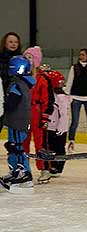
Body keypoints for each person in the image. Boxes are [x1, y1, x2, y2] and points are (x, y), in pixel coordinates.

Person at [0, 56, 35, 194]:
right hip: (18, 120)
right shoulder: (24, 83)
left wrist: (4, 105)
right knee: (14, 146)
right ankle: (15, 171)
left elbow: (12, 103)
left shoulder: (17, 84)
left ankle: (24, 173)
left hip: (17, 121)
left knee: (17, 147)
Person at [21, 46, 53, 184]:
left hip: (38, 112)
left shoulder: (43, 79)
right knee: (23, 142)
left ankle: (45, 169)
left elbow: (48, 99)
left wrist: (45, 116)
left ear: (36, 61)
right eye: (25, 57)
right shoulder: (21, 77)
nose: (27, 60)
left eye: (30, 57)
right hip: (24, 113)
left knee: (41, 143)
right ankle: (23, 169)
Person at [65, 48, 87, 153]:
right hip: (75, 98)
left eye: (83, 55)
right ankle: (71, 142)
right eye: (80, 55)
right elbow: (69, 82)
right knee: (75, 121)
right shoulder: (74, 68)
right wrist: (67, 97)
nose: (81, 56)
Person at [46, 69, 72, 177]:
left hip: (58, 128)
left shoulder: (61, 98)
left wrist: (61, 129)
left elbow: (64, 115)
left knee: (59, 148)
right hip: (50, 127)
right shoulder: (50, 95)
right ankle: (52, 165)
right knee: (51, 147)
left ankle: (58, 167)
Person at [0, 32, 22, 133]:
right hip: (1, 95)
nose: (13, 44)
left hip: (15, 96)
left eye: (16, 42)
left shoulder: (22, 59)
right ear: (5, 43)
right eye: (10, 42)